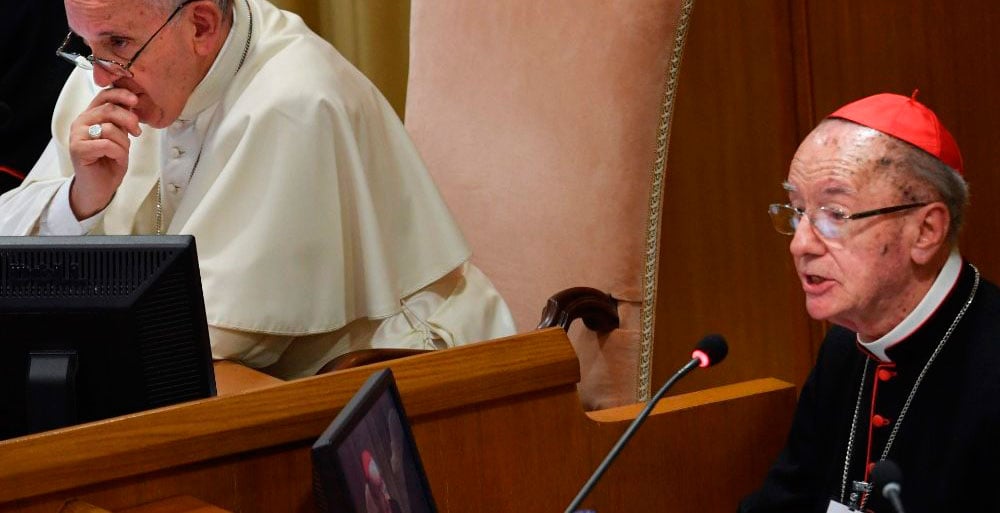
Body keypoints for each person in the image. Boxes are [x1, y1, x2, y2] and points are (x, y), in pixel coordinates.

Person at [0, 0, 516, 378]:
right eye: (84, 45)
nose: (98, 76)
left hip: (400, 384)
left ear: (201, 25)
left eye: (117, 45)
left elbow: (206, 337)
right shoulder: (115, 68)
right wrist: (82, 199)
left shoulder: (295, 102)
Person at [739, 92, 1000, 512]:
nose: (800, 244)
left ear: (926, 231)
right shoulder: (845, 346)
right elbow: (784, 502)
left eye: (834, 214)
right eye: (798, 210)